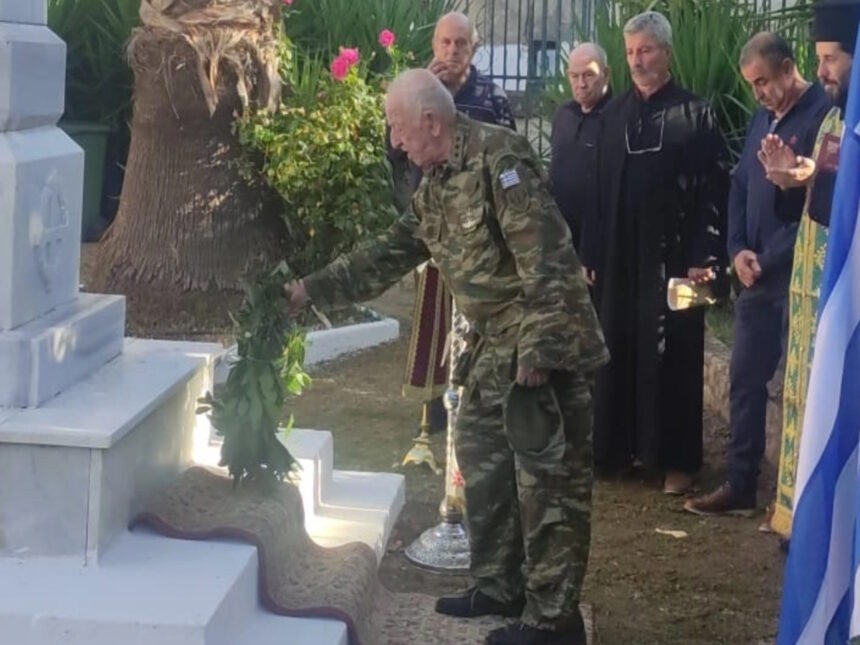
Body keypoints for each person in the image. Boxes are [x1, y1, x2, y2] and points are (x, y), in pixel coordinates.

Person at [287, 69, 608, 645]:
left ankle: (553, 620)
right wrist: (309, 290)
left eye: (398, 127)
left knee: (548, 485)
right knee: (483, 462)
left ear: (431, 121)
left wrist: (539, 350)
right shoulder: (435, 183)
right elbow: (388, 252)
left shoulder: (498, 158)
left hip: (539, 342)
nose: (394, 140)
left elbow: (548, 257)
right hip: (492, 344)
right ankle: (499, 585)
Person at [581, 11, 730, 492]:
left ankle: (675, 462)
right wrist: (590, 253)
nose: (636, 61)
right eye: (630, 52)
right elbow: (596, 193)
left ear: (666, 52)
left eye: (645, 50)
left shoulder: (696, 114)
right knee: (617, 346)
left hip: (678, 259)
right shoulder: (612, 116)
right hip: (619, 257)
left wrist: (705, 255)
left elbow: (713, 191)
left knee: (676, 355)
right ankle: (617, 450)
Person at [684, 33, 831, 518]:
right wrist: (737, 250)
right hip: (754, 277)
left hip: (797, 278)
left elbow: (818, 207)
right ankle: (740, 484)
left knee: (799, 388)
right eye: (751, 85)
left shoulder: (822, 116)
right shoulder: (761, 118)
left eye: (764, 82)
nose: (759, 93)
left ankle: (796, 498)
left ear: (789, 68)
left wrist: (768, 257)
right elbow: (741, 185)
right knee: (745, 378)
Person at [758, 0, 859, 539]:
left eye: (831, 59)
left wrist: (807, 179)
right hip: (810, 298)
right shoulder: (834, 118)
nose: (822, 71)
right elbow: (822, 196)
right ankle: (798, 518)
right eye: (819, 59)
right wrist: (791, 179)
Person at [396, 11, 516, 431]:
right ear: (434, 46)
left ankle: (475, 401)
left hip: (478, 230)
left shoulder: (492, 97)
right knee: (433, 318)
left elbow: (508, 156)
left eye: (460, 44)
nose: (451, 51)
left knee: (476, 315)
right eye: (445, 43)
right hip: (433, 225)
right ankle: (431, 410)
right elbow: (394, 151)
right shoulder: (417, 91)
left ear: (474, 48)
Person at [549, 42, 612, 252]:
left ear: (606, 74)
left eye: (588, 75)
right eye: (574, 76)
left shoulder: (618, 117)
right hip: (560, 236)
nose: (581, 84)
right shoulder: (564, 114)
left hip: (599, 241)